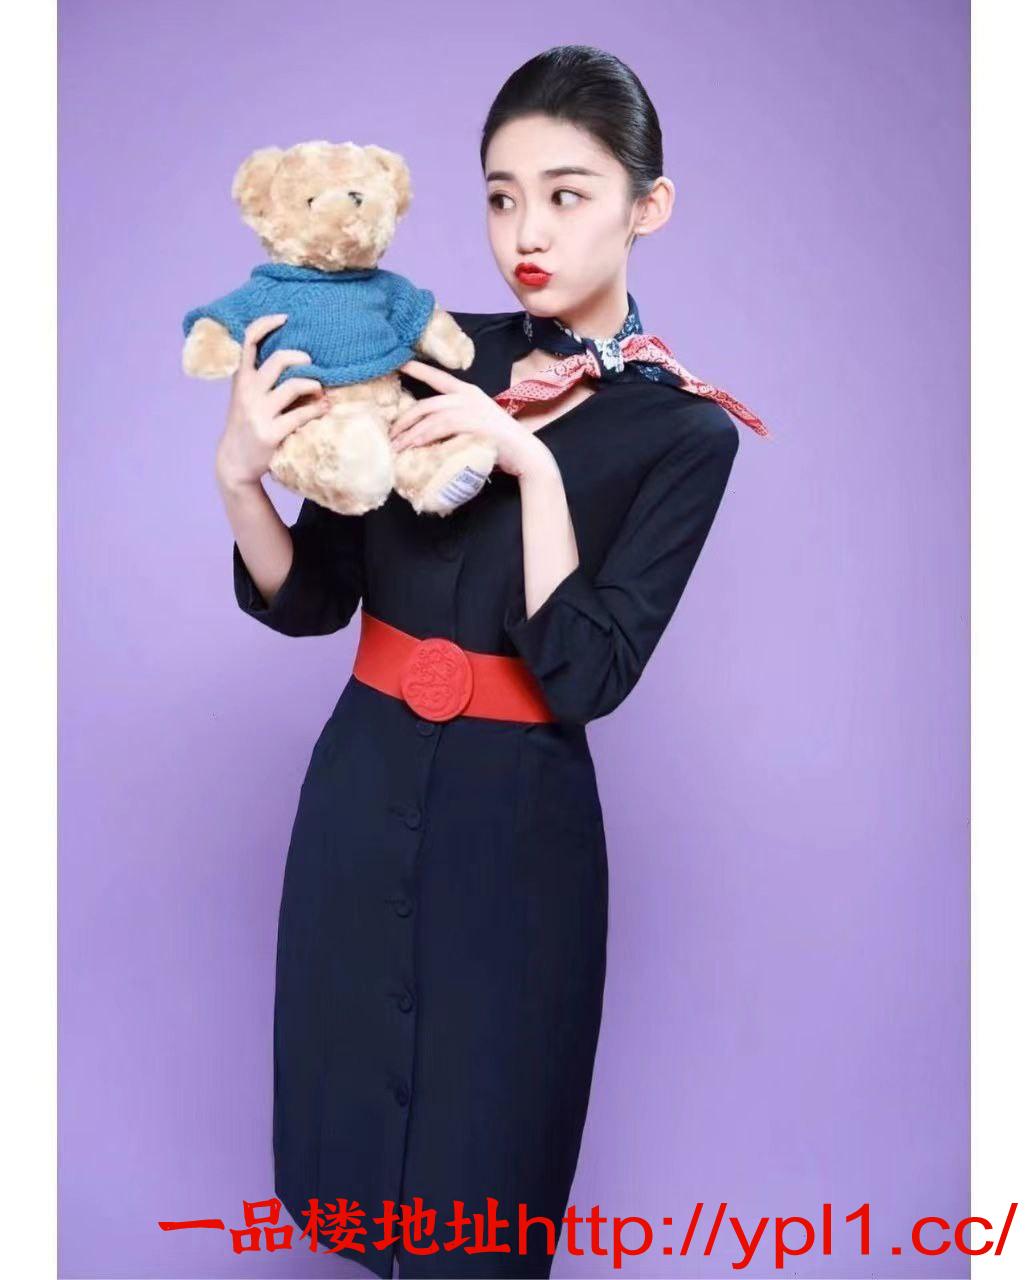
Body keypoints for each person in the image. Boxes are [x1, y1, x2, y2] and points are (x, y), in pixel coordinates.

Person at [215, 45, 765, 1280]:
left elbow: (583, 676)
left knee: (481, 1199)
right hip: (360, 803)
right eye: (501, 195)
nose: (527, 230)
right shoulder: (423, 348)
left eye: (567, 194)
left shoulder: (684, 432)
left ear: (645, 206)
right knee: (352, 1177)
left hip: (516, 845)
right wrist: (241, 479)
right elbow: (316, 596)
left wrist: (530, 466)